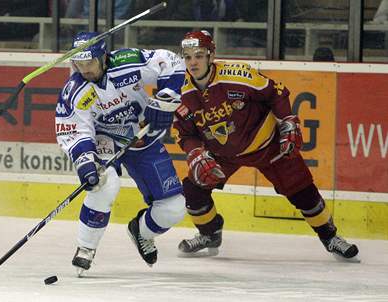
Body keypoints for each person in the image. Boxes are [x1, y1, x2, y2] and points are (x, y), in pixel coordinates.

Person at [173, 30, 359, 261]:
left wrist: (288, 121)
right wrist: (195, 153)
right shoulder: (180, 91)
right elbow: (185, 132)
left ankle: (330, 238)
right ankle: (210, 234)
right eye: (188, 56)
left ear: (211, 55)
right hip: (223, 154)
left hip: (267, 145)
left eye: (199, 55)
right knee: (193, 189)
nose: (193, 62)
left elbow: (276, 93)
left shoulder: (238, 75)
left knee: (302, 191)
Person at [55, 32, 187, 276]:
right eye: (79, 64)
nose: (85, 70)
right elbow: (75, 131)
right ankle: (86, 247)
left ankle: (142, 232)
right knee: (104, 184)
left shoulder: (127, 61)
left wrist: (164, 100)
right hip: (103, 140)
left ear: (103, 56)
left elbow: (171, 61)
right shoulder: (73, 91)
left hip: (142, 136)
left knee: (174, 208)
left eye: (89, 63)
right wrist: (86, 163)